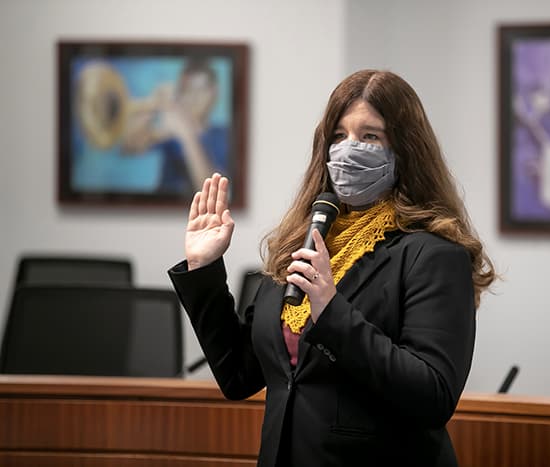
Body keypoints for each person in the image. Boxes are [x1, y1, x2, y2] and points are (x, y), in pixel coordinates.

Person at [168, 69, 495, 467]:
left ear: (405, 150)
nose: (348, 148)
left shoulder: (433, 254)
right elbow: (239, 376)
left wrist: (330, 310)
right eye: (338, 136)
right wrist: (204, 269)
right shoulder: (303, 242)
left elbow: (433, 396)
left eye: (370, 136)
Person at [123, 58, 228, 196]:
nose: (193, 98)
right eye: (187, 90)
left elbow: (214, 196)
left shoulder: (224, 135)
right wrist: (153, 104)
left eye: (201, 89)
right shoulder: (169, 135)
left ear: (214, 92)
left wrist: (186, 134)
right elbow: (129, 147)